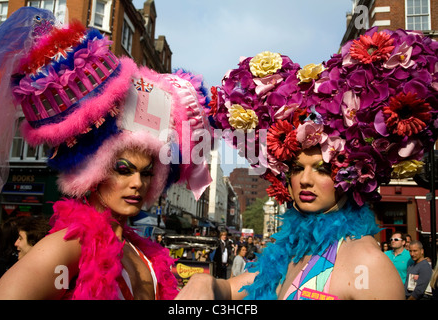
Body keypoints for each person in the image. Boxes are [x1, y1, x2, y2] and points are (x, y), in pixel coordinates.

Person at [176, 27, 438, 300]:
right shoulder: (291, 252)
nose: (305, 180)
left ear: (349, 178)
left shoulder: (369, 266)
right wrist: (203, 284)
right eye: (298, 168)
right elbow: (235, 288)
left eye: (322, 169)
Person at [0, 7, 212, 300]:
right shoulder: (69, 246)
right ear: (94, 171)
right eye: (123, 168)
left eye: (147, 173)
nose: (138, 183)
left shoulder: (139, 249)